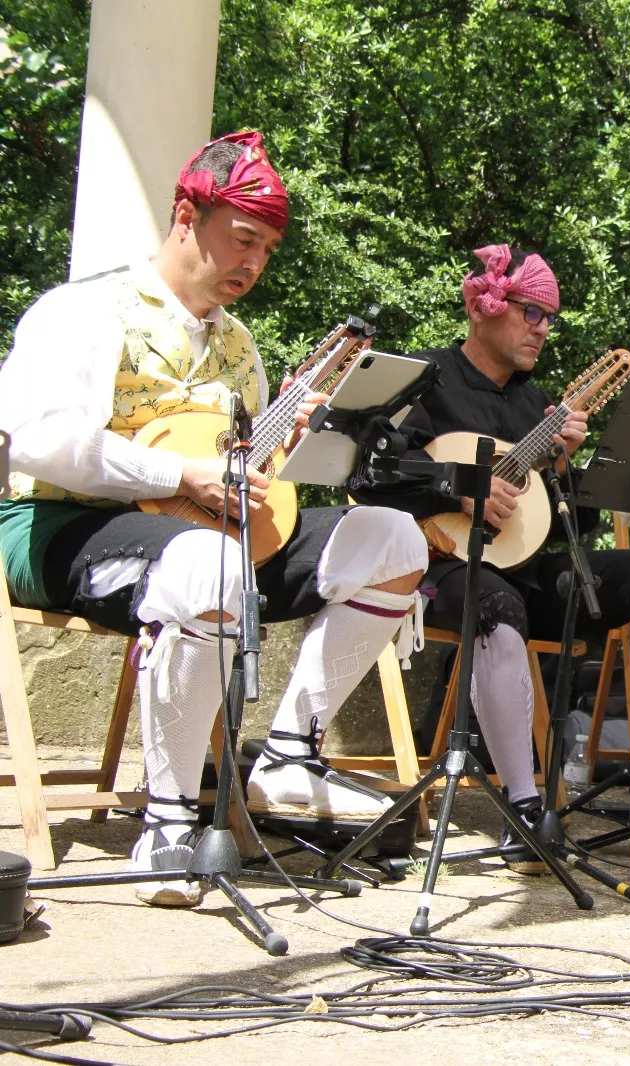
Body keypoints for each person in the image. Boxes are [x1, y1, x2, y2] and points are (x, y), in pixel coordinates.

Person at [0, 132, 428, 905]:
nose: (254, 264)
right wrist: (176, 472)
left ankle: (290, 753)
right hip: (58, 526)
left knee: (391, 537)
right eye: (243, 240)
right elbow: (39, 441)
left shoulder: (242, 348)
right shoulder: (86, 310)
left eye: (266, 249)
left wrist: (289, 451)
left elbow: (239, 468)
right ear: (187, 213)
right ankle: (166, 824)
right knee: (208, 562)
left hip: (202, 538)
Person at [350, 244, 630, 873]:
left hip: (528, 570)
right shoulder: (425, 378)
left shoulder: (540, 405)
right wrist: (456, 485)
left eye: (550, 319)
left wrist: (560, 468)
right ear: (486, 306)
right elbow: (370, 473)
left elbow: (568, 527)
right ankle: (522, 806)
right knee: (496, 604)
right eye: (532, 314)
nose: (543, 331)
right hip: (437, 565)